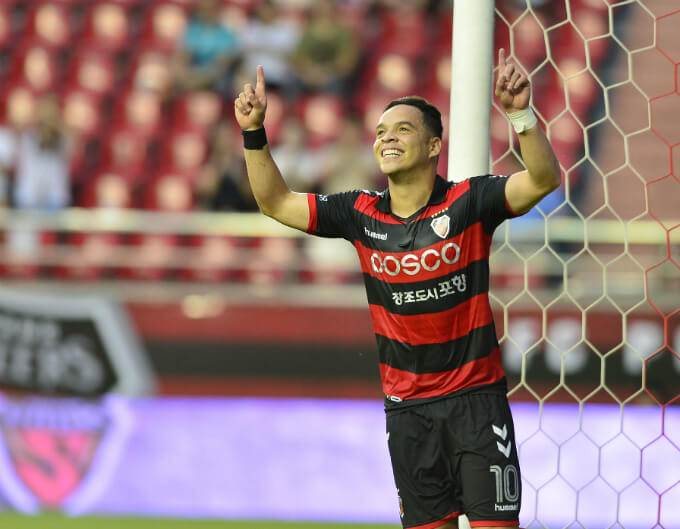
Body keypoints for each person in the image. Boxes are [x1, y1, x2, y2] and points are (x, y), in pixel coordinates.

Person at [234, 48, 561, 529]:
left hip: (476, 403)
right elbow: (275, 202)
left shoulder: (469, 202)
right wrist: (253, 132)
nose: (386, 138)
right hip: (408, 414)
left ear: (433, 146)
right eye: (381, 131)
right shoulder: (359, 212)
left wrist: (520, 115)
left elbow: (544, 179)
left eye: (402, 129)